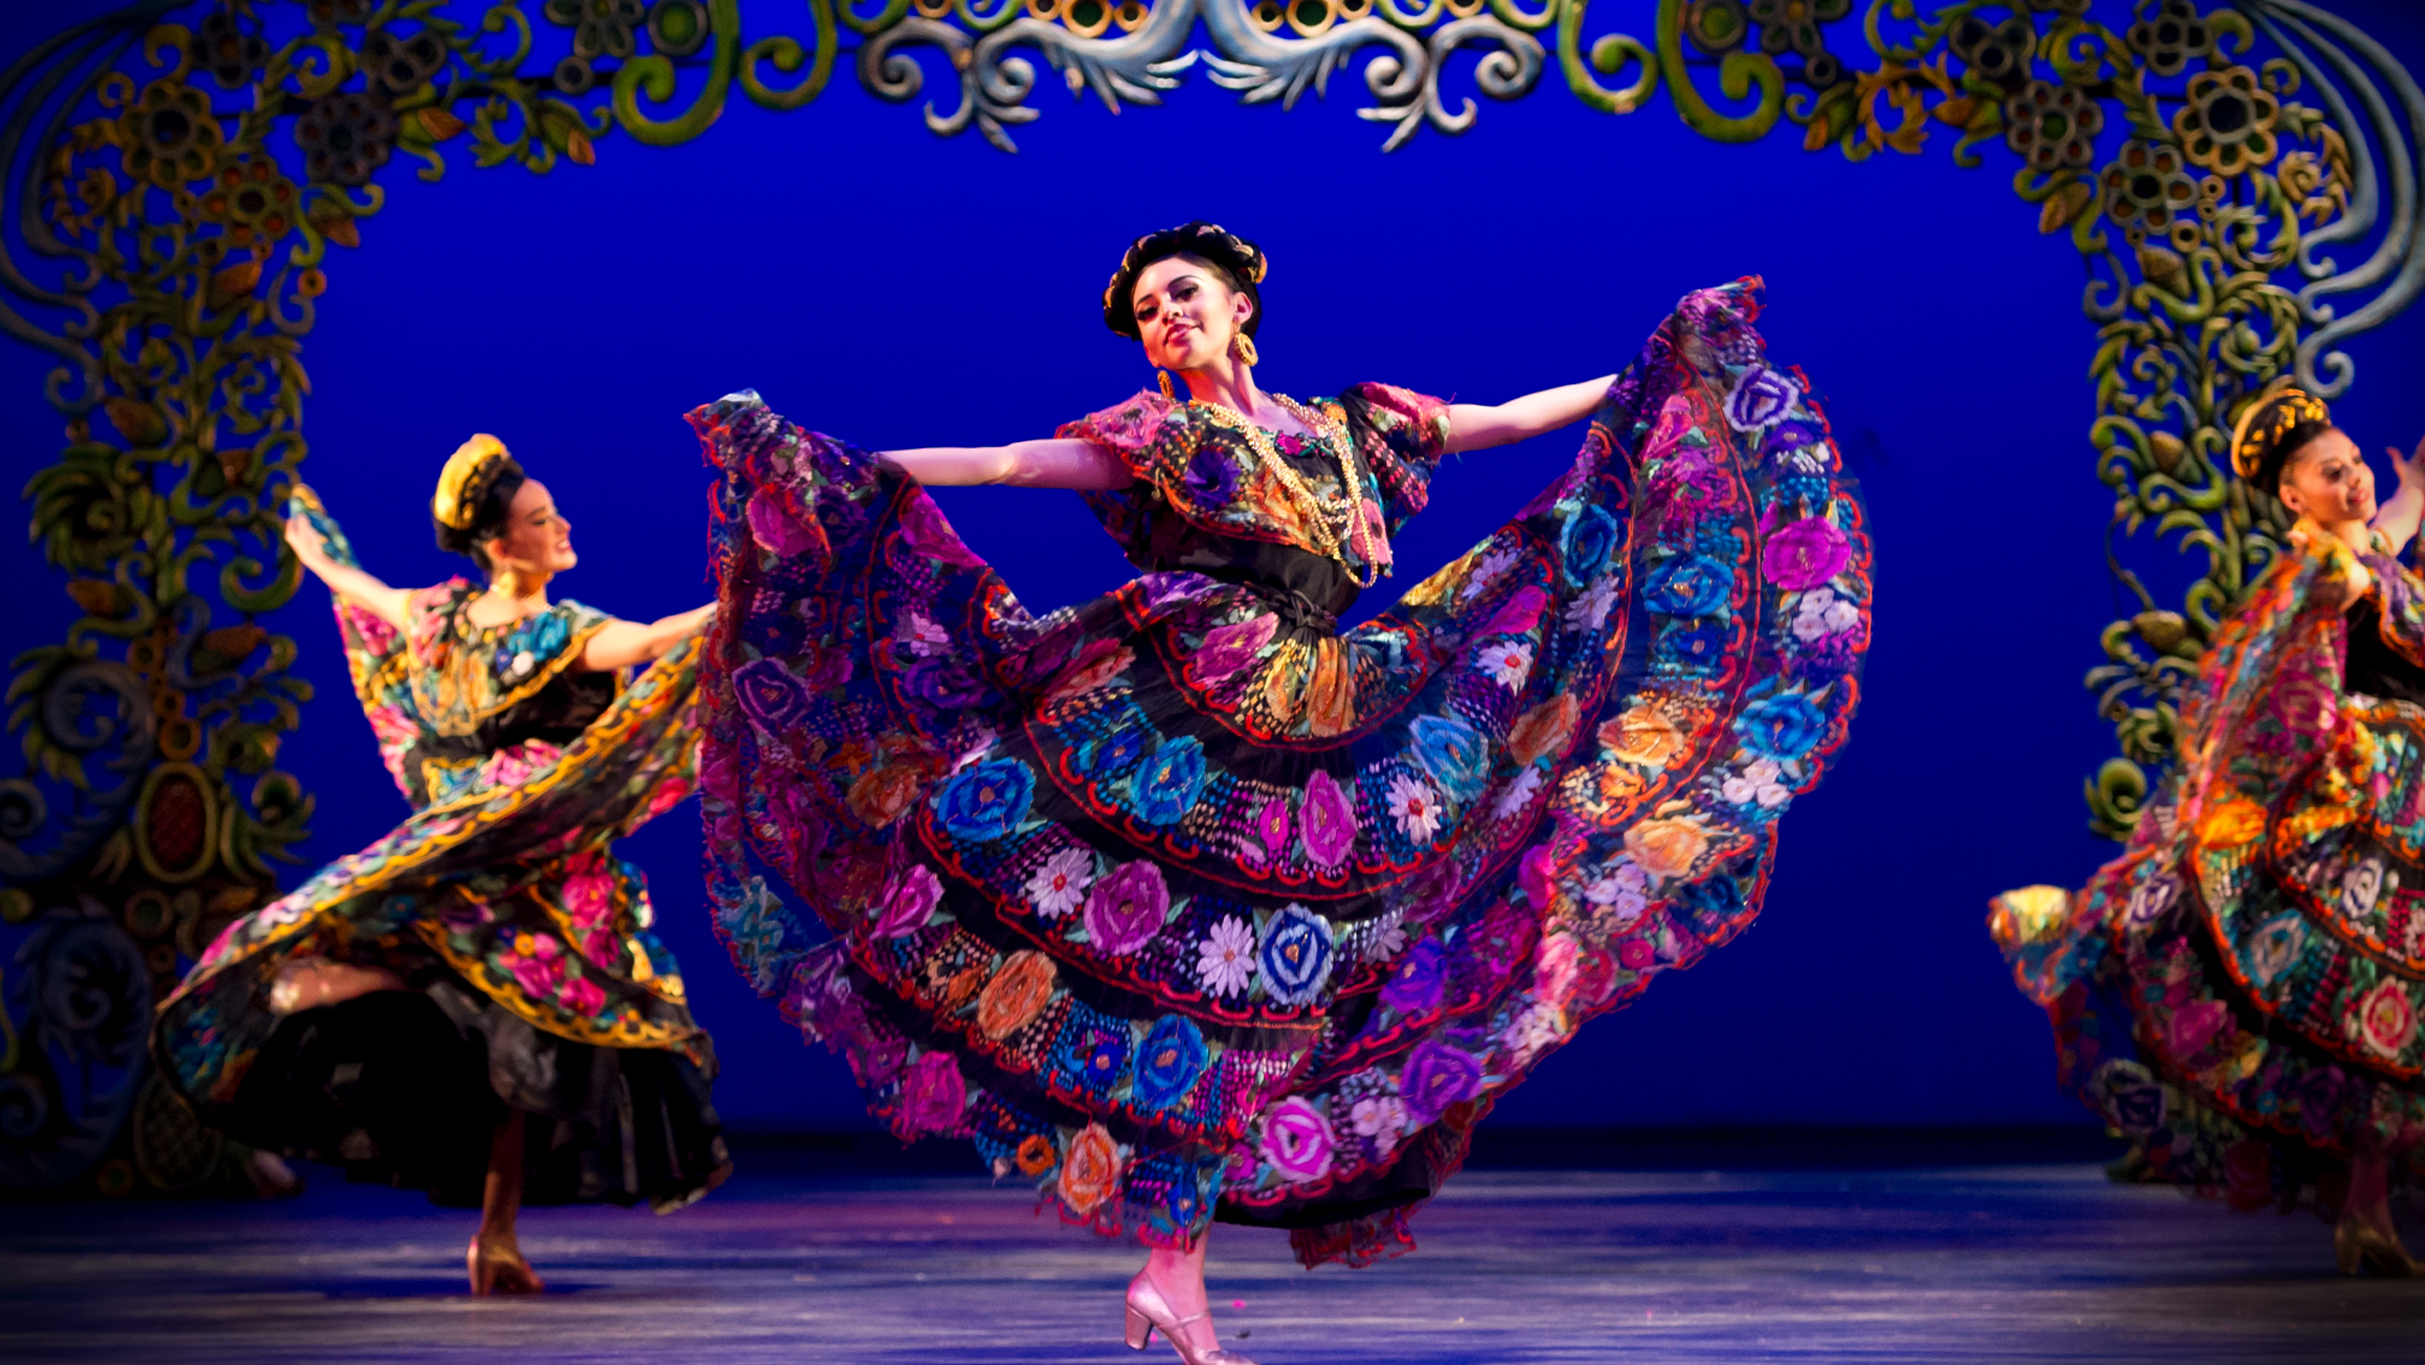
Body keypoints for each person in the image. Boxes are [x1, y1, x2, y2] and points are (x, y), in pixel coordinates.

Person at [693, 223, 1870, 1361]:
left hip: (1323, 720)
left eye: (1184, 293)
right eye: (1148, 309)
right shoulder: (1150, 437)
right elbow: (1006, 463)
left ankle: (1171, 1271)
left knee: (1264, 1001)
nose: (1166, 315)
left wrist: (1655, 371)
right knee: (1197, 997)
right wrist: (832, 469)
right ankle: (1173, 1275)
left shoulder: (1350, 428)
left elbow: (1503, 420)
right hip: (1182, 716)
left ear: (1239, 306)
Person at [152, 436, 727, 1295]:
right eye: (540, 519)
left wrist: (296, 512)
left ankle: (495, 1237)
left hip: (467, 842)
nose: (562, 525)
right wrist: (748, 597)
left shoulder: (437, 620)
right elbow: (656, 639)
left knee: (516, 1046)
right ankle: (355, 985)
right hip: (530, 861)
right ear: (501, 545)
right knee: (533, 1032)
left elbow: (350, 582)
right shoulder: (561, 634)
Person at [1993, 386, 2425, 1277]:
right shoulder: (2324, 569)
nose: (2352, 482)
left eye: (2353, 467)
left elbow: (2389, 529)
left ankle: (2368, 1209)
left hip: (2405, 798)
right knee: (2375, 1006)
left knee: (2393, 1014)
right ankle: (2071, 922)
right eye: (2329, 474)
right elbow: (2270, 654)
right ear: (2293, 496)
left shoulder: (2363, 549)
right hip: (2375, 793)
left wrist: (2410, 486)